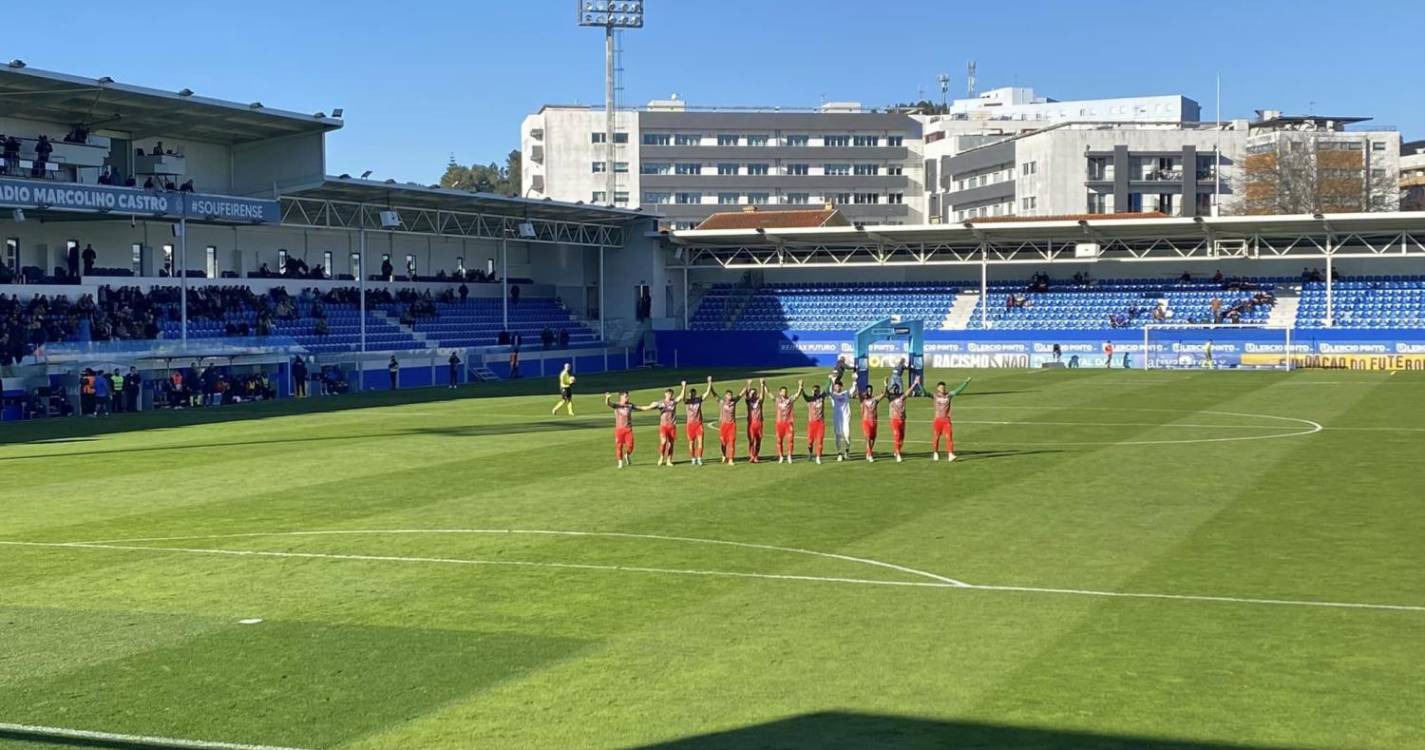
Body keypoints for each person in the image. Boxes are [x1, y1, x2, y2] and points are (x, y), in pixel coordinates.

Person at [925, 378, 972, 462]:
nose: (943, 389)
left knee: (949, 437)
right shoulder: (934, 395)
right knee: (936, 438)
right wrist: (918, 384)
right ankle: (935, 452)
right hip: (937, 420)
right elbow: (925, 393)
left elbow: (958, 391)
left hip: (946, 420)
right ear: (937, 388)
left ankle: (950, 454)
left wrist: (966, 382)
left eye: (944, 387)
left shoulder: (949, 395)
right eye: (941, 388)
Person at [605, 391, 645, 469]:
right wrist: (607, 398)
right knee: (619, 446)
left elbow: (640, 408)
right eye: (626, 396)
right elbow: (608, 403)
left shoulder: (630, 405)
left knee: (630, 446)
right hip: (619, 429)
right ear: (621, 397)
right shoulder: (617, 405)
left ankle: (627, 454)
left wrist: (651, 407)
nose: (627, 398)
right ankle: (620, 462)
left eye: (627, 396)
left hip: (628, 429)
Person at [651, 383, 685, 467]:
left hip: (672, 426)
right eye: (668, 394)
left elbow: (681, 396)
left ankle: (669, 460)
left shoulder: (673, 402)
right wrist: (650, 405)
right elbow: (652, 405)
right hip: (663, 426)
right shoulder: (661, 403)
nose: (669, 395)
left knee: (670, 444)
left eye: (671, 394)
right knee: (663, 442)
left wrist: (684, 386)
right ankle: (661, 457)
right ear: (665, 394)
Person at [885, 376, 917, 463]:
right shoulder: (891, 397)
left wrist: (914, 383)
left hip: (902, 419)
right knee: (897, 435)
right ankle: (898, 454)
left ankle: (897, 450)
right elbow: (885, 393)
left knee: (902, 437)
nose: (895, 390)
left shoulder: (902, 397)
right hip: (894, 419)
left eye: (897, 389)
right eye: (894, 389)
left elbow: (908, 391)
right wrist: (885, 384)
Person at [683, 375, 713, 466]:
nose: (692, 395)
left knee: (700, 442)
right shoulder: (687, 401)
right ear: (689, 394)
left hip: (698, 424)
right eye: (691, 394)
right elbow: (682, 397)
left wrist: (709, 382)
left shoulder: (698, 400)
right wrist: (684, 387)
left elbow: (707, 393)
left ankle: (699, 458)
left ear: (695, 394)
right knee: (691, 442)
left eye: (693, 393)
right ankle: (693, 458)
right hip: (690, 424)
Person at [773, 381, 803, 464]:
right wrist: (763, 385)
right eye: (782, 391)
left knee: (790, 440)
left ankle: (789, 456)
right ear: (779, 392)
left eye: (785, 391)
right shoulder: (777, 400)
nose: (784, 393)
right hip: (779, 423)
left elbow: (798, 394)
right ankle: (781, 456)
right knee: (779, 441)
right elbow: (769, 394)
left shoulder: (790, 399)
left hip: (788, 423)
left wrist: (800, 386)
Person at [716, 382, 746, 465]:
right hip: (723, 425)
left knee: (732, 442)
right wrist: (710, 385)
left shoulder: (734, 402)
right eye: (728, 395)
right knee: (723, 442)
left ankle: (731, 459)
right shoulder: (722, 402)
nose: (730, 397)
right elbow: (715, 395)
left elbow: (741, 394)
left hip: (732, 425)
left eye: (731, 395)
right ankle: (723, 455)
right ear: (725, 396)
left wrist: (747, 385)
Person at [828, 378, 855, 462]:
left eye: (839, 386)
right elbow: (828, 391)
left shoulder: (846, 393)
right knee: (838, 436)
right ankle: (839, 453)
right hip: (837, 419)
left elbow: (853, 389)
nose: (837, 388)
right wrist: (831, 381)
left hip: (846, 418)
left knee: (847, 435)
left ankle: (847, 451)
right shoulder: (833, 395)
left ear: (841, 387)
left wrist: (854, 380)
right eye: (836, 386)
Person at [801, 381, 827, 464]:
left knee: (820, 441)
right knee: (810, 442)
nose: (816, 392)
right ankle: (810, 453)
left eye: (817, 391)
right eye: (814, 391)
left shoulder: (822, 398)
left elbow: (826, 389)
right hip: (811, 423)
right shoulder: (810, 399)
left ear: (819, 391)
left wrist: (830, 380)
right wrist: (801, 387)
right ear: (812, 391)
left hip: (820, 423)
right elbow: (804, 396)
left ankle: (818, 457)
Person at [858, 385, 886, 462]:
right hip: (866, 420)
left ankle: (868, 452)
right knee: (867, 438)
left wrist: (885, 385)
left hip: (873, 421)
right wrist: (856, 381)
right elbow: (858, 393)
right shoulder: (863, 400)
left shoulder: (874, 399)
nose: (869, 392)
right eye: (868, 390)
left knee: (873, 438)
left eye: (871, 390)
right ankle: (870, 455)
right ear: (866, 391)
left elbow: (883, 395)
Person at [744, 378, 768, 464]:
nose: (753, 394)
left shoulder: (759, 401)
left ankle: (756, 456)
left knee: (758, 440)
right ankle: (751, 456)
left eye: (754, 393)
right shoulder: (748, 401)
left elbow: (762, 396)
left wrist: (762, 385)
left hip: (759, 423)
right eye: (752, 393)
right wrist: (748, 385)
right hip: (751, 424)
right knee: (751, 440)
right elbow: (746, 395)